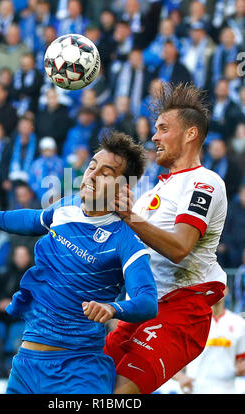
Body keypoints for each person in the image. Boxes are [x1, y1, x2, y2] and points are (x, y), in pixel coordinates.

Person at [0, 131, 158, 394]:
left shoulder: (126, 240)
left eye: (106, 173)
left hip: (78, 371)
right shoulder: (67, 208)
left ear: (124, 188)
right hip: (26, 365)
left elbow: (148, 301)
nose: (93, 176)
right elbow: (31, 219)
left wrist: (113, 308)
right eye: (91, 167)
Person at [104, 82, 228, 394]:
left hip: (183, 312)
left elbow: (180, 248)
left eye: (163, 128)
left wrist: (129, 216)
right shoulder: (151, 195)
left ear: (190, 134)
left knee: (118, 394)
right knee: (87, 384)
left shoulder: (205, 183)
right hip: (142, 307)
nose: (154, 137)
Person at [174, 288, 245, 394]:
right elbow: (170, 360)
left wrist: (242, 369)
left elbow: (241, 362)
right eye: (212, 287)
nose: (216, 291)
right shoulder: (191, 322)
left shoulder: (239, 323)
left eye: (221, 287)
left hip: (228, 390)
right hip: (195, 389)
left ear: (227, 291)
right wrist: (180, 377)